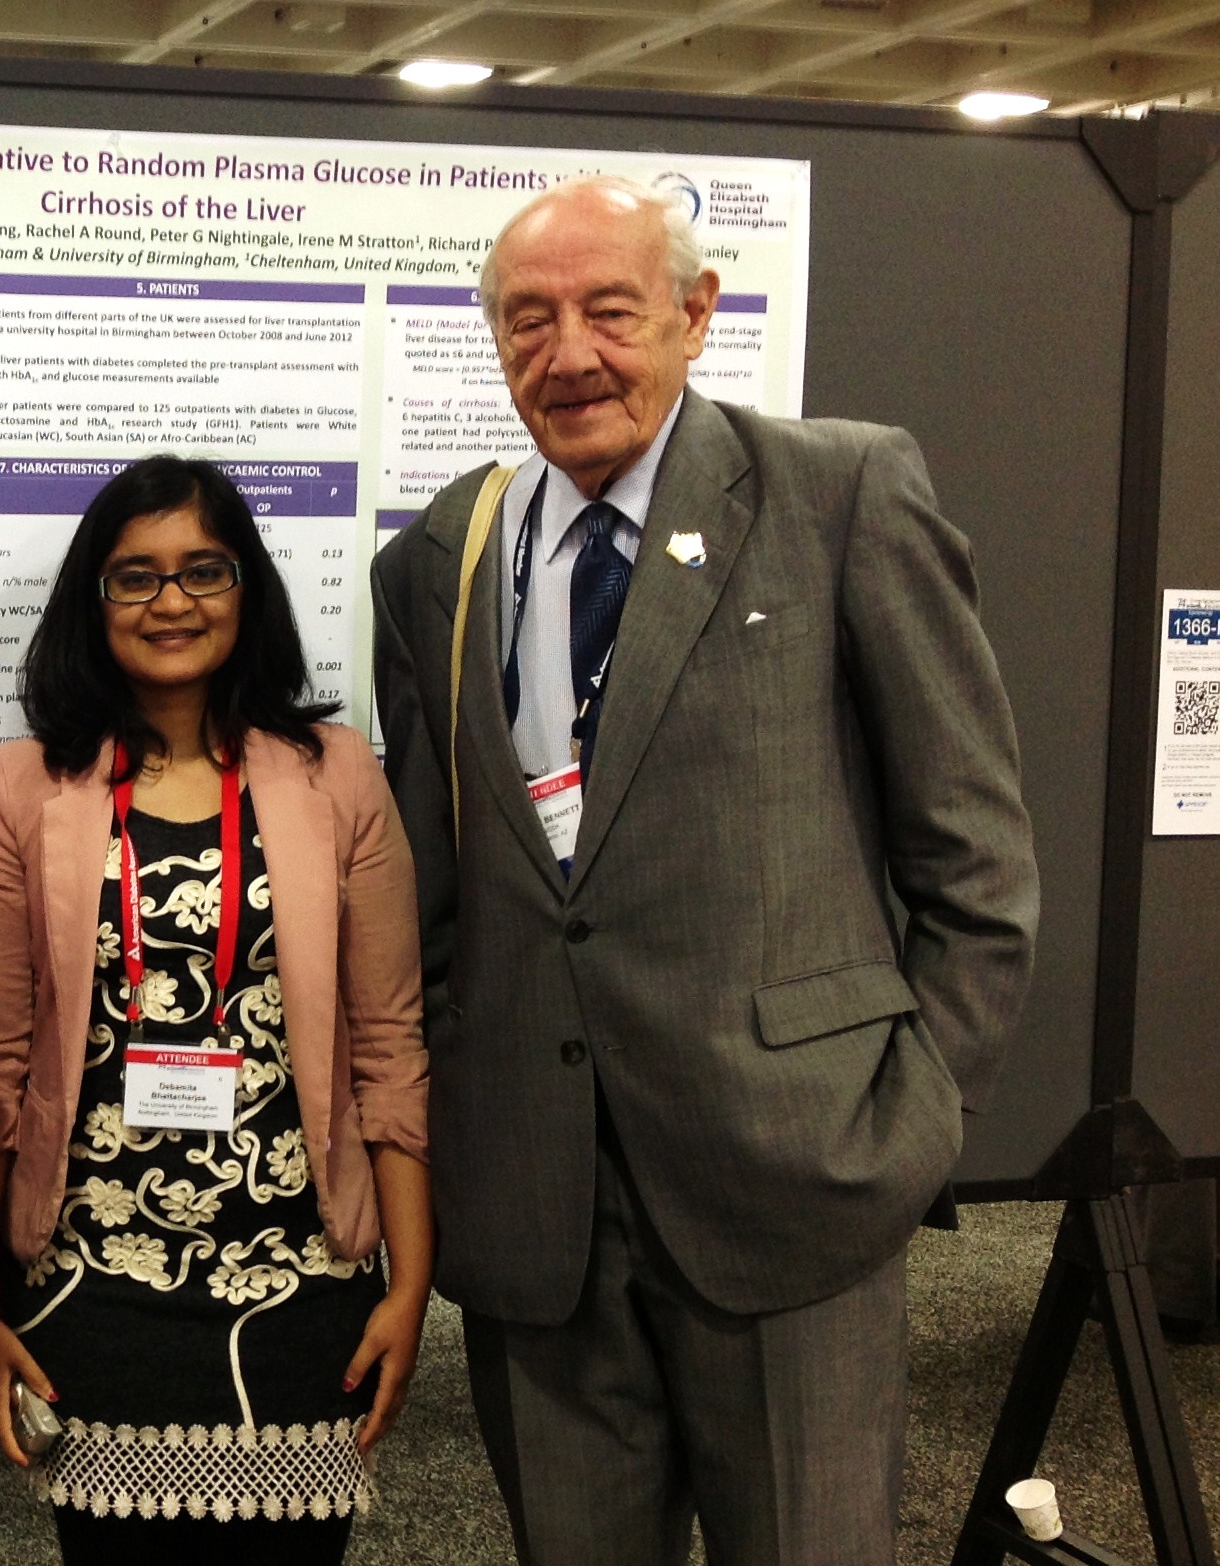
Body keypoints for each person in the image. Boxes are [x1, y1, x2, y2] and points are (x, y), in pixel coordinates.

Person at [370, 175, 1040, 1564]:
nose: (567, 355)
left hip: (791, 1180)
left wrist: (909, 1125)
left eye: (607, 311)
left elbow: (971, 854)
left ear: (691, 314)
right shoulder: (439, 555)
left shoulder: (837, 490)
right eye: (525, 322)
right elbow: (434, 885)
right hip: (536, 1214)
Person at [0, 456, 433, 1564]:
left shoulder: (337, 775)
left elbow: (391, 1048)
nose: (172, 601)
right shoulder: (25, 787)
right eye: (136, 577)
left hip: (303, 1282)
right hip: (89, 1286)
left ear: (247, 587)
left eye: (202, 570)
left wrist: (409, 1283)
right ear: (94, 600)